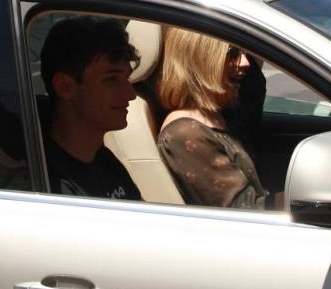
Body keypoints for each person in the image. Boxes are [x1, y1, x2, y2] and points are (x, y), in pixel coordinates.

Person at [156, 28, 272, 209]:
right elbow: (245, 211)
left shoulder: (222, 113)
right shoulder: (186, 133)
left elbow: (254, 88)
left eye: (244, 52)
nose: (244, 63)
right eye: (232, 53)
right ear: (200, 60)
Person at [38, 15, 142, 200]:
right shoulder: (49, 185)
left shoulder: (104, 161)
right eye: (111, 80)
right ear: (65, 87)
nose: (130, 94)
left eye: (126, 79)